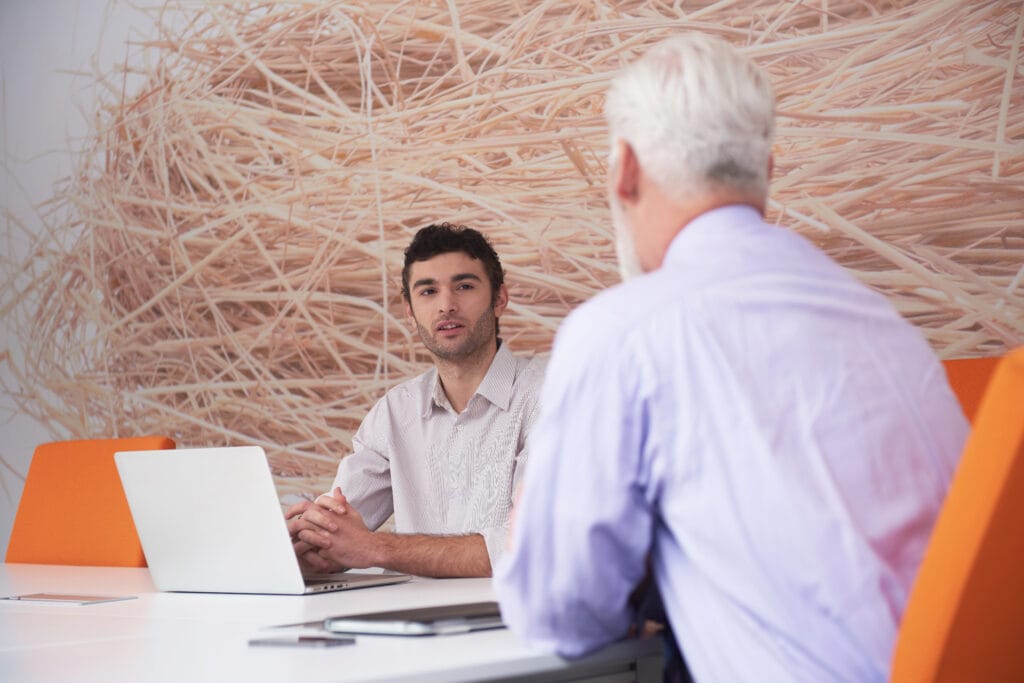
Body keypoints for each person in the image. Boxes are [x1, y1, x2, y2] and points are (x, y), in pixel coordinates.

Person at [494, 34, 969, 682]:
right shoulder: (885, 324)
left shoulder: (624, 333)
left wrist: (532, 521)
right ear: (767, 170)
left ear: (623, 169)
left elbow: (560, 611)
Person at [287, 223, 545, 578]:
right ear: (409, 311)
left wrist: (373, 548)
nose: (446, 306)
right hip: (405, 626)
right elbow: (338, 533)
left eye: (464, 286)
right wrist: (306, 545)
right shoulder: (395, 412)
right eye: (428, 292)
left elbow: (535, 546)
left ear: (500, 298)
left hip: (511, 624)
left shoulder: (551, 396)